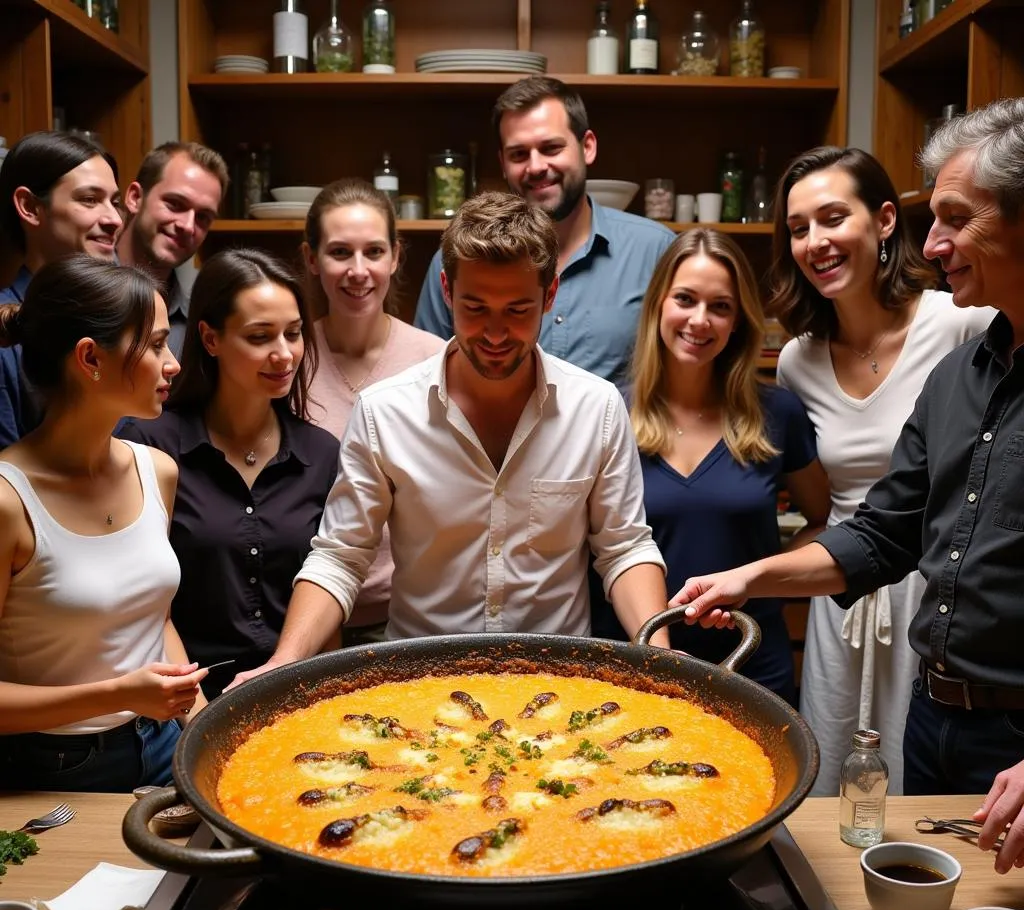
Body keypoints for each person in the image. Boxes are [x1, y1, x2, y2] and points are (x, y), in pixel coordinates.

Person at [671, 97, 1024, 874]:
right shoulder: (950, 373)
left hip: (993, 698)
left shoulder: (955, 328)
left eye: (956, 219)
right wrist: (755, 575)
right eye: (796, 227)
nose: (937, 243)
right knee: (893, 869)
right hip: (914, 668)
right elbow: (883, 529)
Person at [231, 191, 670, 687]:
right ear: (446, 290)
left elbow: (624, 548)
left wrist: (660, 662)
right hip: (419, 685)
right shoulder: (385, 411)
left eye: (519, 310)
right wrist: (285, 660)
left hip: (557, 683)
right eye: (476, 307)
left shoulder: (596, 407)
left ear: (550, 296)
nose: (496, 332)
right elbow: (340, 555)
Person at [769, 146, 996, 795]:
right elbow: (821, 504)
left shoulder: (962, 325)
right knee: (830, 777)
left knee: (921, 790)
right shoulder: (797, 361)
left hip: (937, 592)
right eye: (799, 227)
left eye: (833, 217)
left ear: (887, 221)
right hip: (842, 596)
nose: (816, 241)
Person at [591, 229, 830, 706]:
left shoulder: (777, 414)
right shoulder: (605, 412)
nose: (700, 320)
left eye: (720, 306)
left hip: (749, 658)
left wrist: (759, 578)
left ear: (738, 321)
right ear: (658, 302)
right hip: (629, 661)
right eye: (685, 299)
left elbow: (823, 519)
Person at [0, 254, 207, 793]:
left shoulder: (156, 471)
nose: (174, 363)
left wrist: (202, 723)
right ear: (90, 358)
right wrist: (118, 694)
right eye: (157, 344)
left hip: (165, 745)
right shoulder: (8, 501)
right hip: (52, 770)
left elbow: (151, 618)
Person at [119, 249, 339, 700]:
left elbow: (331, 580)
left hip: (294, 693)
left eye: (294, 334)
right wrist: (193, 712)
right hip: (178, 696)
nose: (283, 354)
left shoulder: (321, 453)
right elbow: (137, 604)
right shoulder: (150, 444)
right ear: (210, 338)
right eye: (260, 336)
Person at [414, 75, 673, 382]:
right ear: (503, 163)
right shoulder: (457, 257)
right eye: (519, 154)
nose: (535, 166)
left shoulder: (656, 251)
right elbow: (427, 376)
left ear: (587, 147)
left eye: (551, 148)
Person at [301, 179, 445, 644]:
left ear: (396, 256)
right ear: (311, 259)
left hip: (410, 620)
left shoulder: (436, 361)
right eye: (340, 252)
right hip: (310, 611)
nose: (358, 271)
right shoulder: (287, 362)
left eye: (374, 252)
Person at [0, 130, 122, 446]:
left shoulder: (121, 314)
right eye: (90, 199)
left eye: (115, 202)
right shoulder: (5, 329)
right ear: (29, 206)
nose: (114, 219)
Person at [116, 141, 228, 358]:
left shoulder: (200, 322)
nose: (187, 226)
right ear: (135, 198)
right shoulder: (77, 290)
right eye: (175, 204)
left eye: (203, 217)